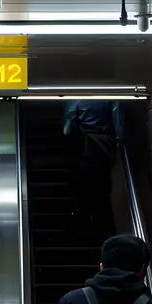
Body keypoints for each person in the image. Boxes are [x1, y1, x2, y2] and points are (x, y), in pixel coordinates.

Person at [62, 99, 117, 242]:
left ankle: (83, 230)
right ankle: (105, 233)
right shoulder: (108, 100)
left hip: (85, 149)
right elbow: (118, 125)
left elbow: (67, 131)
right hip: (105, 148)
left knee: (82, 191)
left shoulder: (74, 102)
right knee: (102, 194)